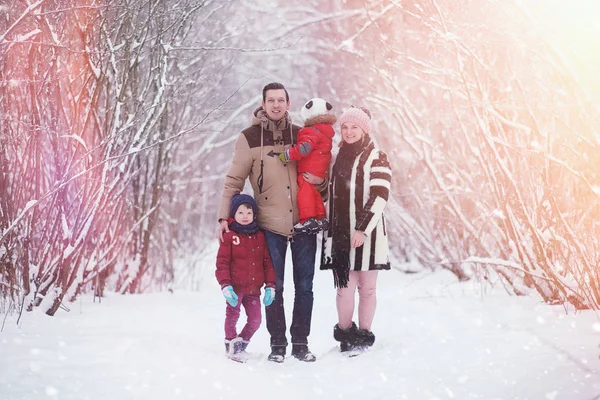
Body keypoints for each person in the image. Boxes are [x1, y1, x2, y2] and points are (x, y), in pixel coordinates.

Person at [217, 82, 327, 363]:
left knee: (305, 287)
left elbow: (319, 173)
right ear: (263, 104)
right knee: (272, 287)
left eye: (281, 100)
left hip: (304, 224)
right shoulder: (249, 137)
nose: (276, 105)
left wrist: (322, 183)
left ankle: (301, 343)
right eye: (271, 100)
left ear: (288, 104)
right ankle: (278, 343)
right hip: (269, 226)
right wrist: (223, 217)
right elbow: (234, 180)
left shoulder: (302, 134)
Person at [320, 106, 392, 354]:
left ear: (364, 129)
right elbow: (327, 192)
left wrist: (362, 229)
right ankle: (345, 335)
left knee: (368, 289)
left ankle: (363, 335)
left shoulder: (377, 157)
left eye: (354, 127)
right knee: (344, 288)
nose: (349, 132)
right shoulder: (335, 158)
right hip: (340, 236)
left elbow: (380, 195)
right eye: (345, 127)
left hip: (368, 236)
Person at [215, 194, 276, 363]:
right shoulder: (229, 236)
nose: (244, 216)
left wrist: (271, 285)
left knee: (256, 320)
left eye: (248, 213)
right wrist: (225, 285)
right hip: (235, 287)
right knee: (232, 316)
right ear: (233, 215)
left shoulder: (260, 236)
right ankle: (231, 345)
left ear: (254, 215)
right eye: (240, 212)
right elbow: (222, 262)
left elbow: (267, 263)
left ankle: (240, 345)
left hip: (254, 290)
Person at [278, 97, 336, 233]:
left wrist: (287, 155)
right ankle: (321, 218)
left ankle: (307, 219)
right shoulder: (326, 132)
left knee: (305, 194)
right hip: (320, 171)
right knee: (315, 194)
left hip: (308, 170)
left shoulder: (310, 131)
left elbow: (304, 148)